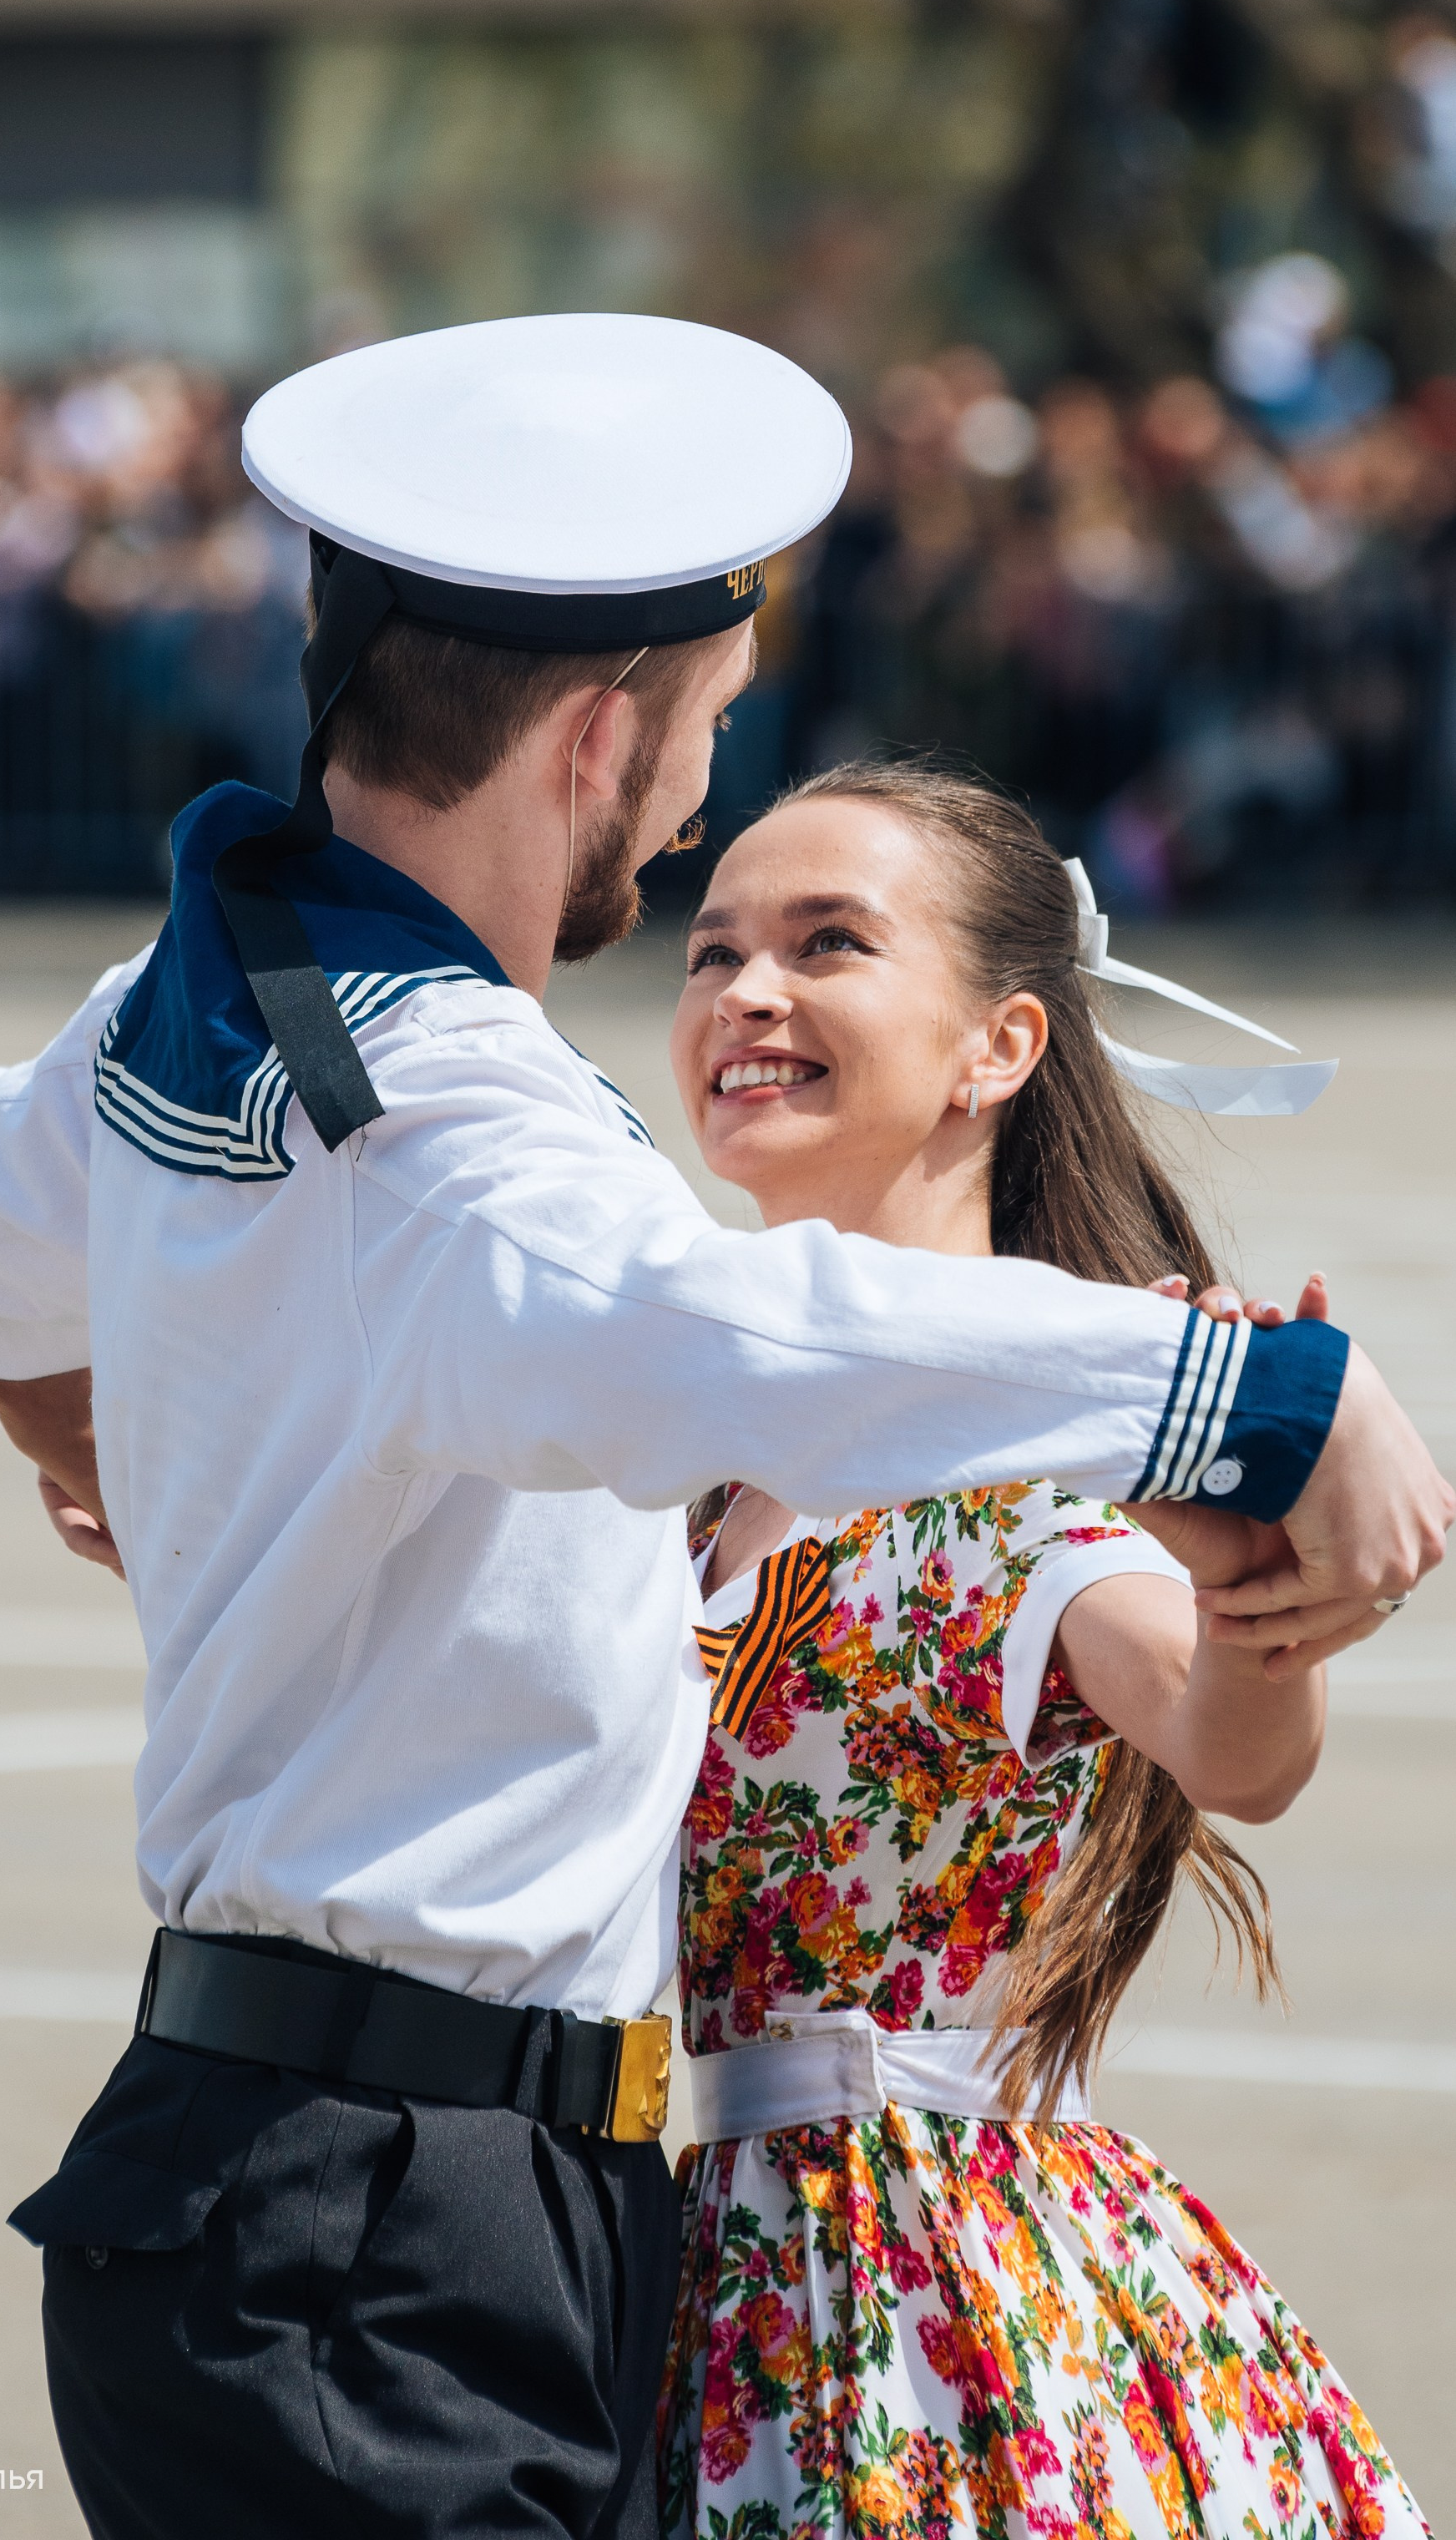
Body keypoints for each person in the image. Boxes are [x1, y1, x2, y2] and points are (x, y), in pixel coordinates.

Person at [0, 316, 1448, 2540]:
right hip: (379, 2220)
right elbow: (724, 1326)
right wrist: (1259, 1393)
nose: (697, 813)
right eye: (701, 743)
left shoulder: (183, 1010)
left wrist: (119, 1431)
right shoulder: (446, 1122)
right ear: (596, 734)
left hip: (383, 2199)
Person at [658, 756, 1426, 2533]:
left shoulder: (1035, 1473)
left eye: (825, 943)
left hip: (915, 2300)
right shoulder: (675, 1457)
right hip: (679, 2256)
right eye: (710, 953)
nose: (744, 994)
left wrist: (1251, 1602)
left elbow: (1233, 1748)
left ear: (996, 1044)